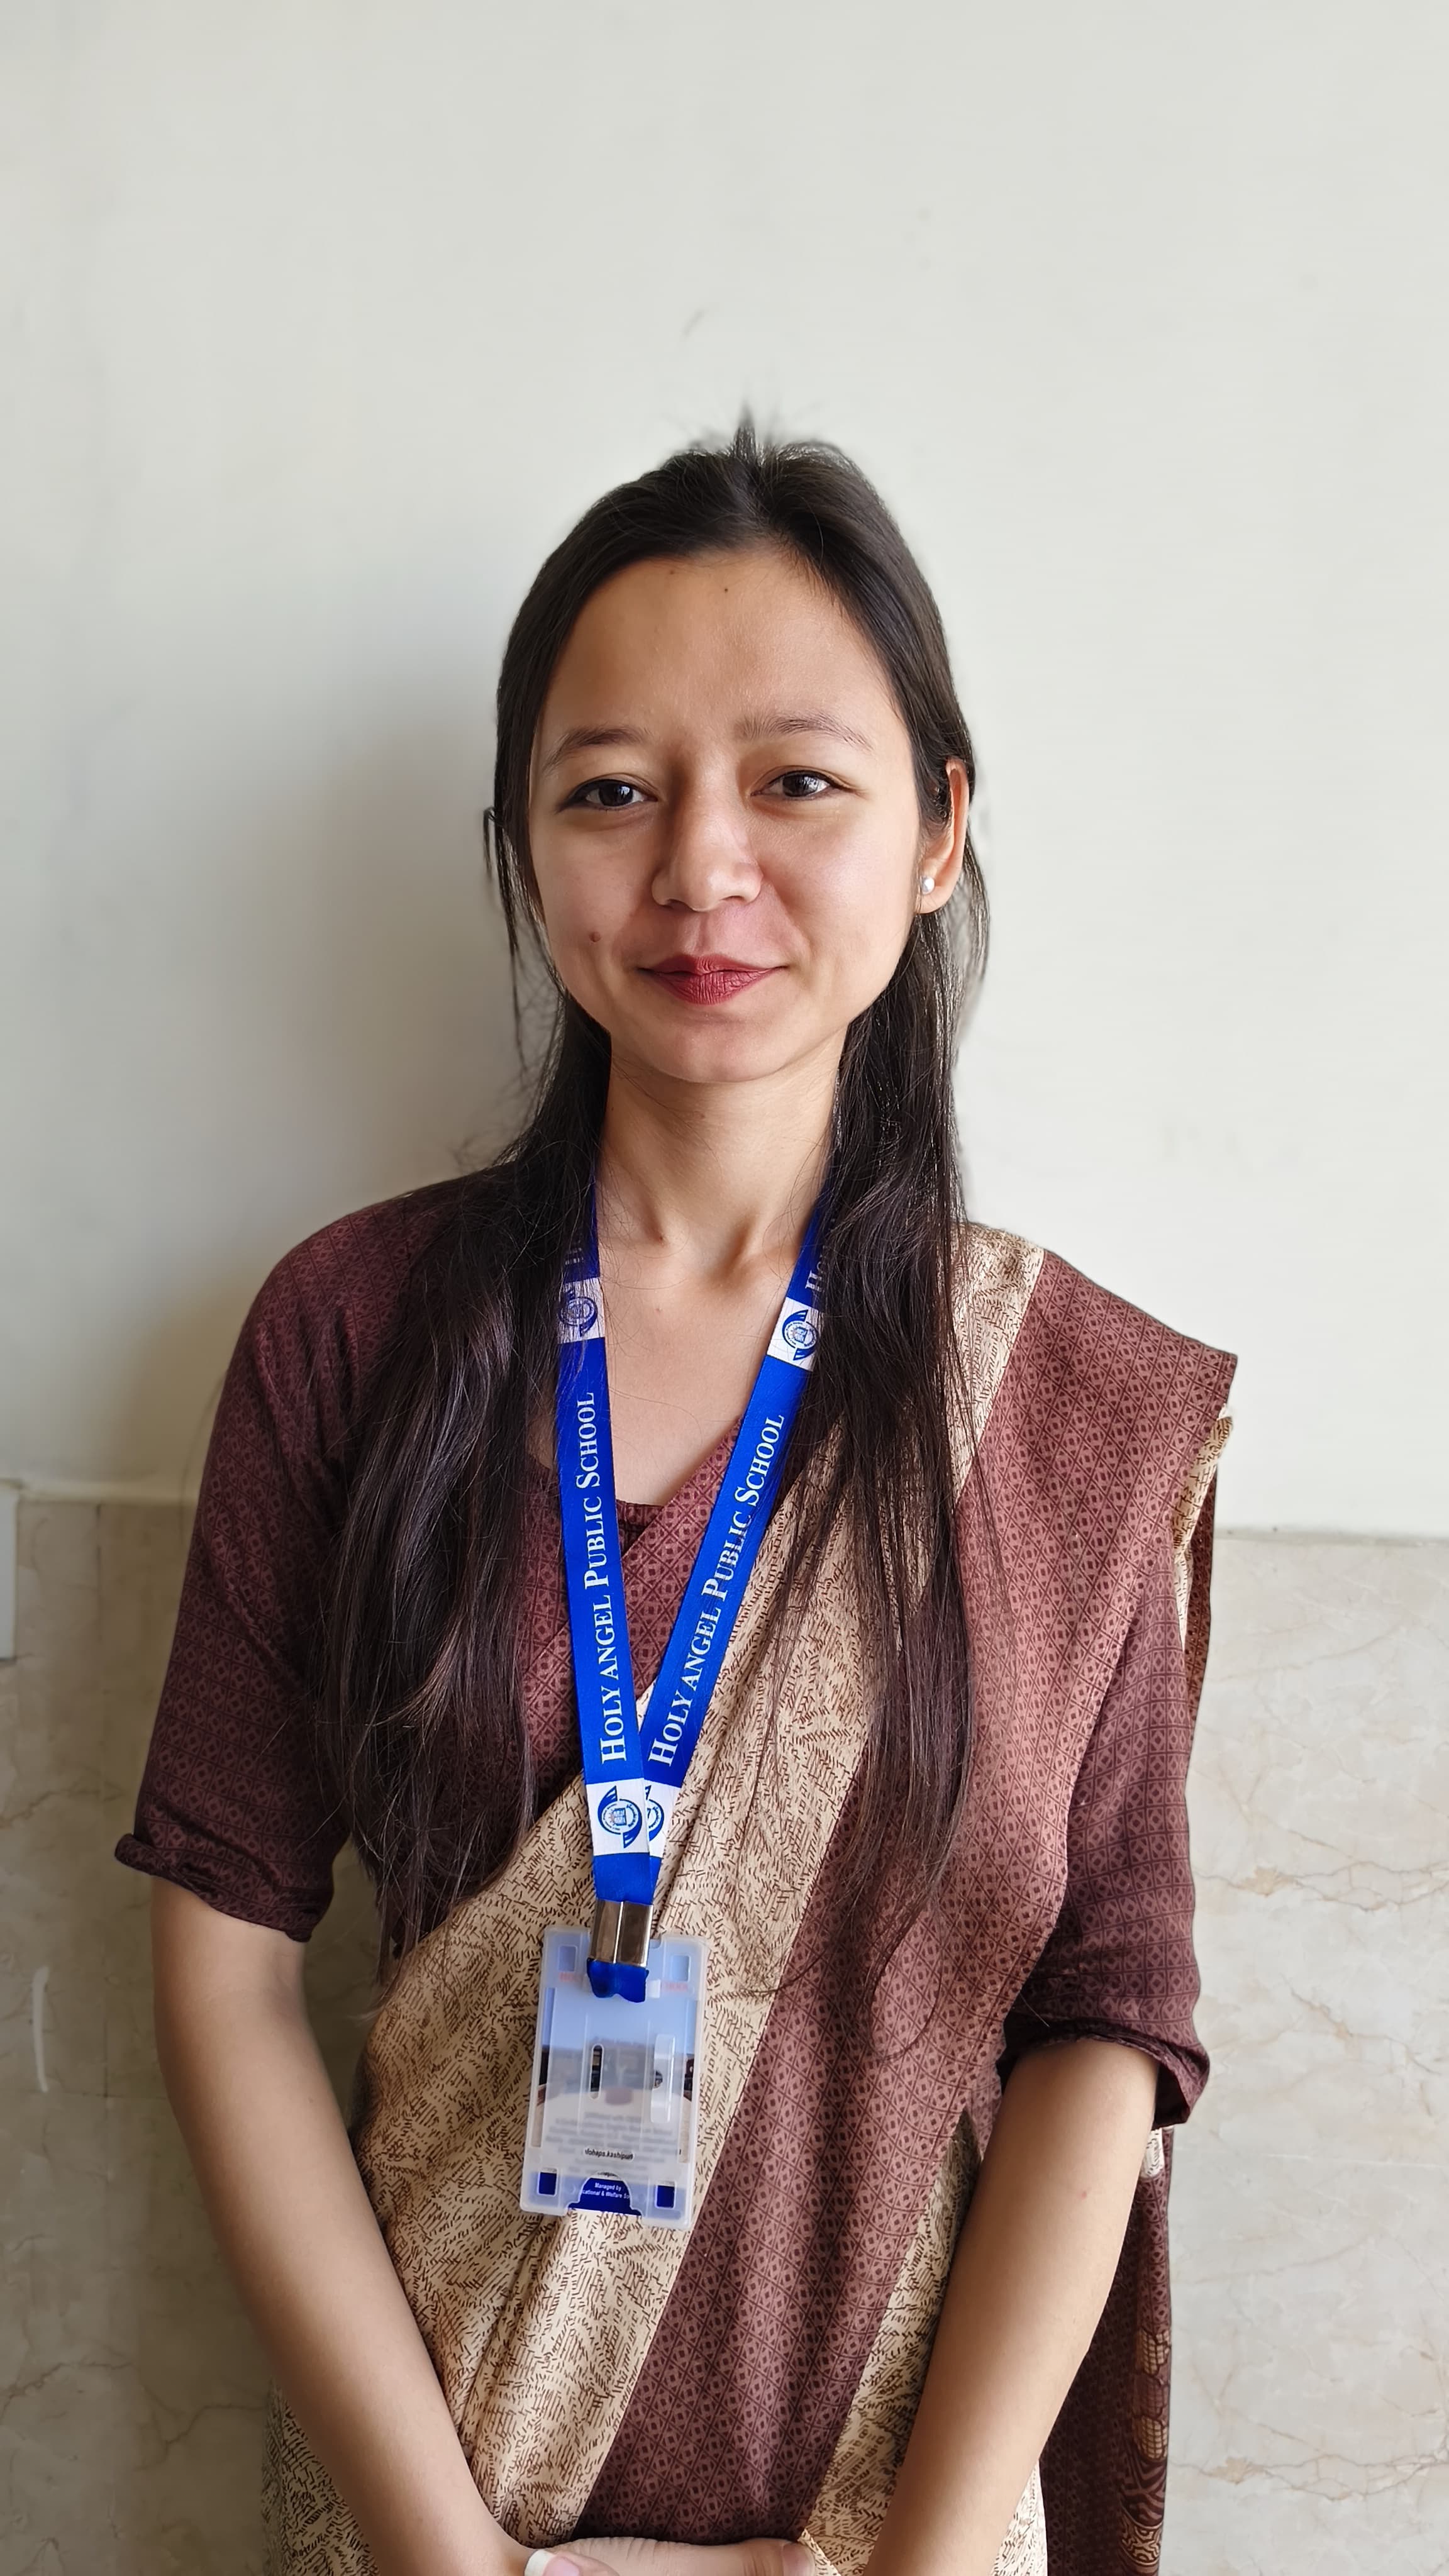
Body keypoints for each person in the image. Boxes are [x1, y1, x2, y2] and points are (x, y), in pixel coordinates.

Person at [118, 421, 1234, 2576]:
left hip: (891, 2526)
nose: (702, 867)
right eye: (611, 791)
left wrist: (909, 2567)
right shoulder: (355, 1333)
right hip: (425, 2508)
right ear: (523, 850)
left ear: (940, 831)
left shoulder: (1070, 1409)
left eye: (797, 781)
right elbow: (225, 1967)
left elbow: (1106, 2028)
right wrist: (454, 2559)